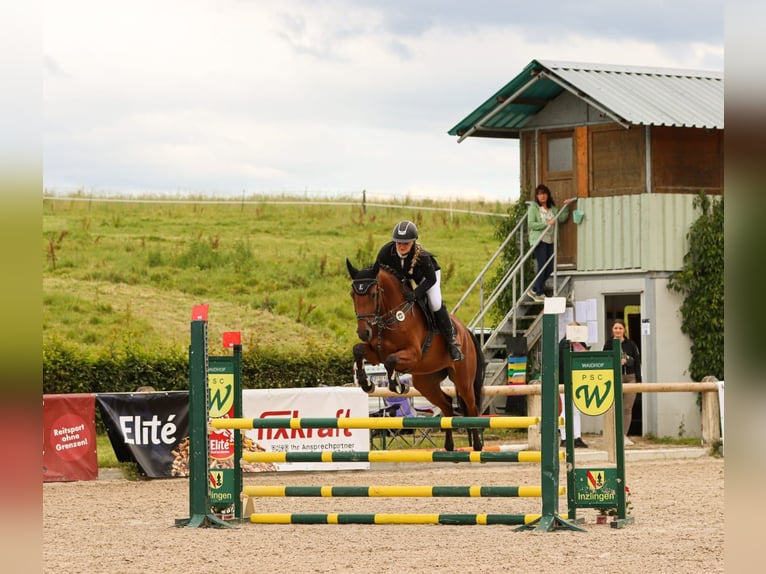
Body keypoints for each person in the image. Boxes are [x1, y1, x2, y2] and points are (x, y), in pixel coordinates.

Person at [376, 220, 464, 362]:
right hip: (405, 278)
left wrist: (416, 294)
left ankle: (452, 342)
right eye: (399, 243)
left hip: (428, 277)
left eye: (406, 243)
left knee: (434, 302)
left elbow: (431, 280)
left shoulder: (422, 256)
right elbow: (379, 273)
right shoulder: (386, 252)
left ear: (413, 242)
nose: (402, 246)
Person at [526, 184, 573, 302]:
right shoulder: (534, 208)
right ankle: (539, 293)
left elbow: (561, 218)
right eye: (540, 194)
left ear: (548, 195)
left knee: (551, 267)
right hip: (539, 240)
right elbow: (531, 224)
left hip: (551, 241)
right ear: (537, 196)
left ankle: (535, 289)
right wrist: (546, 224)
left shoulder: (553, 209)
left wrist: (566, 206)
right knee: (542, 264)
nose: (542, 196)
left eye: (544, 193)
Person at [603, 319, 642, 446]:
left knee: (627, 408)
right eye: (616, 328)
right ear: (612, 330)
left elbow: (637, 362)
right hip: (615, 377)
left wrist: (638, 381)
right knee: (614, 407)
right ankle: (613, 435)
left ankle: (624, 435)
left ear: (624, 330)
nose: (618, 330)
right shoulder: (608, 344)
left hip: (630, 377)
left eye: (620, 328)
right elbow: (604, 361)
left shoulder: (631, 344)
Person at [558, 327, 589, 448]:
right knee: (566, 409)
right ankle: (565, 437)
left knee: (577, 410)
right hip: (564, 380)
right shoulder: (563, 344)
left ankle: (577, 437)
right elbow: (561, 363)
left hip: (578, 380)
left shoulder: (582, 344)